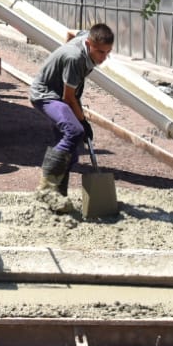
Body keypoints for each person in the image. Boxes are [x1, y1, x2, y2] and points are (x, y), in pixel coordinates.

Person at [27, 23, 114, 213]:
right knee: (74, 130)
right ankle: (46, 188)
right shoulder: (74, 58)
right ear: (89, 43)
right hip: (46, 95)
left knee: (72, 152)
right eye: (100, 52)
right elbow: (69, 97)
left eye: (108, 53)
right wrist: (83, 121)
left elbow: (71, 33)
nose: (103, 58)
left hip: (60, 95)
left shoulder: (85, 37)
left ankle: (58, 198)